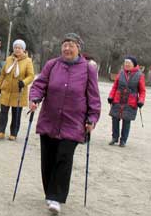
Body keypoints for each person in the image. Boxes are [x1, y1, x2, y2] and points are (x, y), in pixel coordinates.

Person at [29, 33, 101, 214]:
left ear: (79, 48)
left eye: (71, 45)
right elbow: (39, 85)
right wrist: (35, 98)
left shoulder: (88, 69)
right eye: (65, 45)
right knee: (48, 158)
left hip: (74, 123)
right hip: (50, 119)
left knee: (64, 158)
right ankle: (49, 193)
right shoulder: (52, 65)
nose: (67, 48)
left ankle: (57, 197)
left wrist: (92, 118)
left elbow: (93, 97)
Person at [0, 39, 34, 141]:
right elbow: (3, 74)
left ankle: (13, 133)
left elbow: (31, 76)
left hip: (19, 92)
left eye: (19, 48)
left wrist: (23, 82)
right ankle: (0, 131)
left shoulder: (28, 61)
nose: (17, 49)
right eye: (15, 47)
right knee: (3, 112)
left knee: (16, 114)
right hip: (6, 90)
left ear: (23, 49)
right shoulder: (8, 59)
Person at [107, 56, 146, 147]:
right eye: (125, 62)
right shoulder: (121, 73)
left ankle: (123, 140)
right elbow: (115, 86)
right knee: (115, 119)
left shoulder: (140, 75)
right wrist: (110, 96)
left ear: (134, 64)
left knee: (126, 120)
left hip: (130, 101)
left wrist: (141, 100)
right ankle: (114, 137)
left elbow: (142, 91)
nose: (126, 64)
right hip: (118, 99)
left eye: (129, 63)